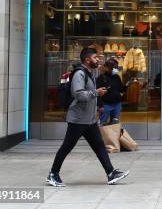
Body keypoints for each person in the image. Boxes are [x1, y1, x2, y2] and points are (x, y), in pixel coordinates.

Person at [46, 47, 129, 187]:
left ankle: (111, 173)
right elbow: (78, 94)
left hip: (89, 120)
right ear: (87, 59)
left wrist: (97, 101)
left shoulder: (90, 73)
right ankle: (53, 174)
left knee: (99, 147)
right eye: (95, 57)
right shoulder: (80, 74)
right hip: (78, 120)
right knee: (66, 147)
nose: (98, 59)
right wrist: (95, 93)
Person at [96, 58, 126, 125]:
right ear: (107, 67)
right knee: (102, 124)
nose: (114, 69)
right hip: (105, 104)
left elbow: (121, 89)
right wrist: (100, 106)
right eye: (112, 67)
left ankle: (113, 135)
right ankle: (102, 135)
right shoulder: (101, 78)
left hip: (117, 104)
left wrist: (127, 84)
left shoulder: (116, 77)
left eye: (115, 67)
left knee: (115, 124)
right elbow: (98, 93)